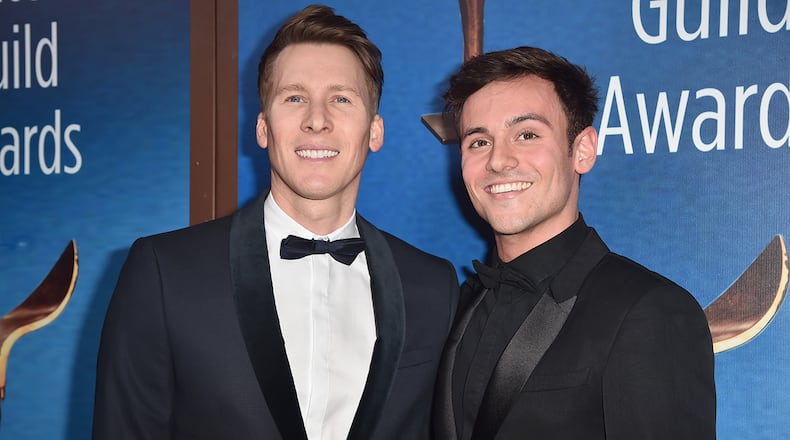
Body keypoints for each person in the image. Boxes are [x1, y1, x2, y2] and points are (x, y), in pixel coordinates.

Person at [93, 5, 459, 439]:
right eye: (295, 98)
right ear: (263, 128)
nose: (317, 120)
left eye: (341, 98)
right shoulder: (165, 272)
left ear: (374, 131)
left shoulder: (432, 287)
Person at [432, 46, 716, 439]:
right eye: (479, 142)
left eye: (526, 135)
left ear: (582, 151)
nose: (499, 161)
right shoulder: (456, 305)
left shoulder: (648, 310)